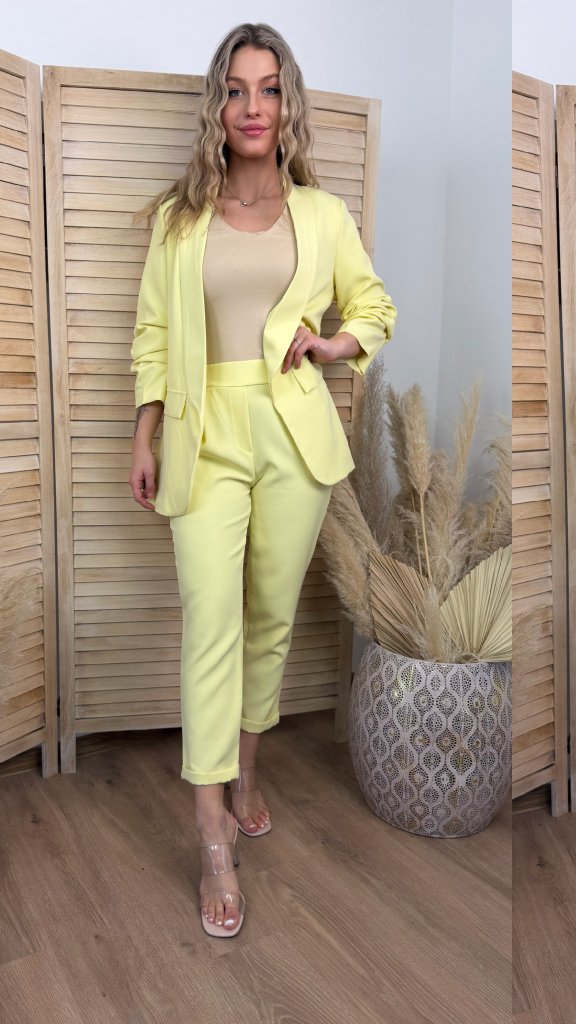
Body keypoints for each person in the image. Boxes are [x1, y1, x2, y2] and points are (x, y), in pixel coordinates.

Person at [128, 23, 396, 938]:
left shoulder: (321, 214)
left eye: (269, 89)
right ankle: (211, 832)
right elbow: (154, 337)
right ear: (219, 105)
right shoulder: (179, 220)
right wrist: (144, 434)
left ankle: (246, 768)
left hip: (292, 433)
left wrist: (332, 343)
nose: (253, 106)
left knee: (270, 616)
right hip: (203, 432)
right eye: (237, 89)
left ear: (288, 105)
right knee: (213, 620)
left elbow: (375, 306)